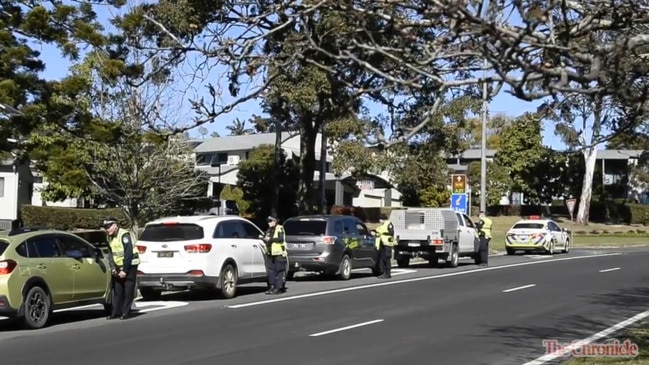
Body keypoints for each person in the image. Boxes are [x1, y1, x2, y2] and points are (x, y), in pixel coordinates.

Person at [102, 218, 140, 320]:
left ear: (115, 226)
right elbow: (110, 254)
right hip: (118, 265)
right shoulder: (109, 237)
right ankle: (115, 313)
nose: (107, 229)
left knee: (128, 289)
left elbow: (128, 254)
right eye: (105, 227)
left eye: (109, 227)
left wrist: (125, 271)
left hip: (130, 265)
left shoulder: (124, 235)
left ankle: (126, 312)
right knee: (117, 290)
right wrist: (113, 268)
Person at [260, 216, 287, 295]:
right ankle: (271, 286)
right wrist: (263, 238)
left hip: (279, 253)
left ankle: (278, 288)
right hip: (270, 253)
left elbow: (281, 239)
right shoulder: (269, 230)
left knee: (278, 270)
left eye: (270, 221)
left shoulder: (279, 228)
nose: (269, 223)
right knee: (271, 271)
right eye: (268, 221)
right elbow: (267, 239)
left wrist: (270, 239)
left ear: (275, 221)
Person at [375, 213, 395, 279]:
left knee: (387, 258)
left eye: (380, 219)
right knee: (382, 258)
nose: (380, 221)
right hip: (382, 243)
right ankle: (384, 273)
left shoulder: (389, 224)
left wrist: (382, 233)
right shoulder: (382, 225)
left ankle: (388, 273)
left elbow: (391, 232)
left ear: (383, 219)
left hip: (387, 244)